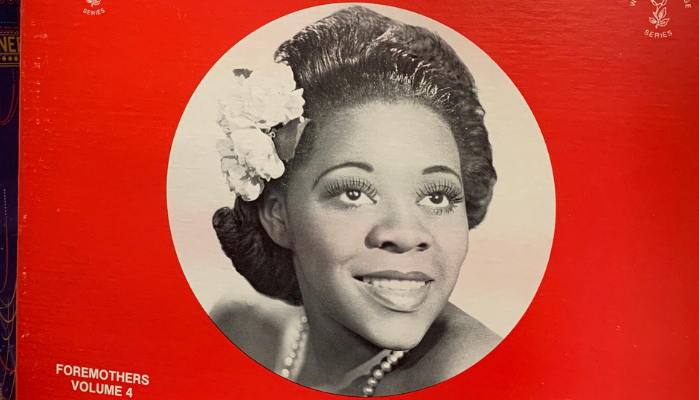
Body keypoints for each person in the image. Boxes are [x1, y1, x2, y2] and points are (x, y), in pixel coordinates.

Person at [209, 6, 499, 396]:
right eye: (354, 192)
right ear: (278, 217)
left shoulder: (473, 373)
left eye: (436, 195)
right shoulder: (239, 331)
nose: (405, 233)